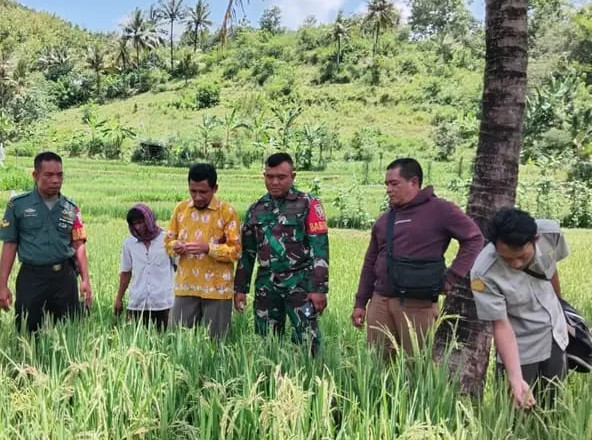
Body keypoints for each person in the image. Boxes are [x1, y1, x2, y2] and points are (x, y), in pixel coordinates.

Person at [351, 158, 483, 359]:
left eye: (394, 184)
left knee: (416, 365)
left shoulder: (440, 210)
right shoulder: (385, 220)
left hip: (417, 302)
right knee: (377, 364)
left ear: (414, 182)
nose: (388, 189)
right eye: (386, 184)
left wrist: (451, 277)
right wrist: (361, 302)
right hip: (381, 300)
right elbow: (370, 262)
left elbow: (473, 239)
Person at [471, 208, 569, 409]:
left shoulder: (551, 235)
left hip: (556, 334)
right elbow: (500, 324)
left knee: (553, 406)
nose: (515, 264)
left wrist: (562, 310)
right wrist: (515, 378)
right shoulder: (483, 273)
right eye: (507, 259)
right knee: (516, 412)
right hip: (520, 347)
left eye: (523, 257)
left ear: (536, 239)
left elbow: (550, 270)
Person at [234, 153, 329, 355]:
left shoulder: (308, 204)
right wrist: (240, 288)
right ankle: (270, 379)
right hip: (267, 284)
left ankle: (308, 380)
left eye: (281, 177)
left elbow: (319, 249)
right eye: (269, 177)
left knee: (307, 340)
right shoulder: (256, 209)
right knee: (266, 341)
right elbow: (247, 253)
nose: (274, 182)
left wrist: (319, 288)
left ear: (292, 176)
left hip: (300, 283)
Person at [0, 152, 92, 333]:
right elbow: (9, 245)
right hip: (32, 277)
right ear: (35, 175)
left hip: (64, 277)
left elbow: (79, 245)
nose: (56, 180)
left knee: (69, 330)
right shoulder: (18, 205)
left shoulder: (71, 207)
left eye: (60, 175)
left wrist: (86, 280)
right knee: (28, 331)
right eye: (49, 175)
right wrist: (2, 285)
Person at [165, 163, 241, 339]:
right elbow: (168, 242)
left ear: (215, 188)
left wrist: (209, 248)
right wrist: (175, 246)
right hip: (186, 285)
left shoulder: (227, 212)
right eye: (193, 191)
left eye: (203, 192)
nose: (197, 197)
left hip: (217, 288)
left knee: (216, 341)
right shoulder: (181, 210)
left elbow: (235, 251)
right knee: (178, 338)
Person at [114, 204, 175, 330]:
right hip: (138, 302)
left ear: (149, 219)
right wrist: (119, 299)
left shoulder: (167, 240)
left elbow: (179, 267)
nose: (139, 227)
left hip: (163, 302)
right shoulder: (129, 244)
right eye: (135, 224)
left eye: (141, 222)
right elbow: (126, 273)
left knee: (165, 340)